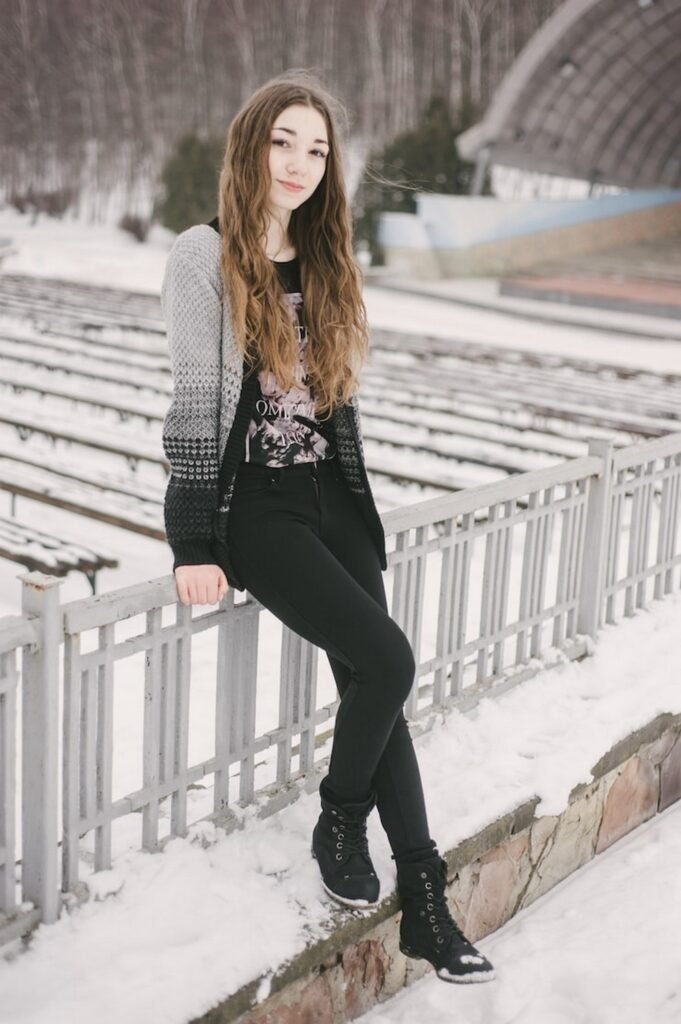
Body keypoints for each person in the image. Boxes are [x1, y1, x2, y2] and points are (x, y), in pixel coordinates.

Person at [160, 69, 495, 985]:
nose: (300, 162)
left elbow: (331, 402)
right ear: (250, 145)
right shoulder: (204, 254)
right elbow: (195, 401)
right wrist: (192, 539)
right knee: (388, 662)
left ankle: (424, 903)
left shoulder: (325, 258)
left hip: (333, 498)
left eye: (317, 148)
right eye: (283, 142)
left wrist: (351, 499)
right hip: (258, 509)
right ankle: (339, 814)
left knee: (374, 688)